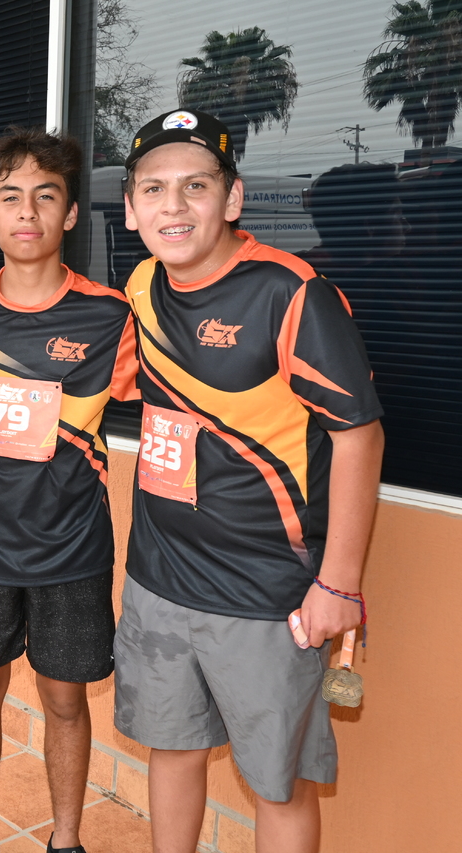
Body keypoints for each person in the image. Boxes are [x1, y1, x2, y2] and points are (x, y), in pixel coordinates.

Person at [112, 108, 384, 853]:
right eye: (154, 189)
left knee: (278, 782)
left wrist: (339, 584)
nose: (174, 206)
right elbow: (129, 378)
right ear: (131, 209)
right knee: (172, 748)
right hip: (159, 576)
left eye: (196, 185)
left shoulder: (290, 294)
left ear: (231, 198)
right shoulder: (142, 283)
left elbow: (359, 435)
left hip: (267, 596)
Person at [0, 127, 136, 853]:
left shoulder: (111, 317)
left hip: (71, 553)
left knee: (65, 701)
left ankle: (65, 840)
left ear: (70, 214)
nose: (27, 212)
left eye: (46, 196)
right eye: (10, 197)